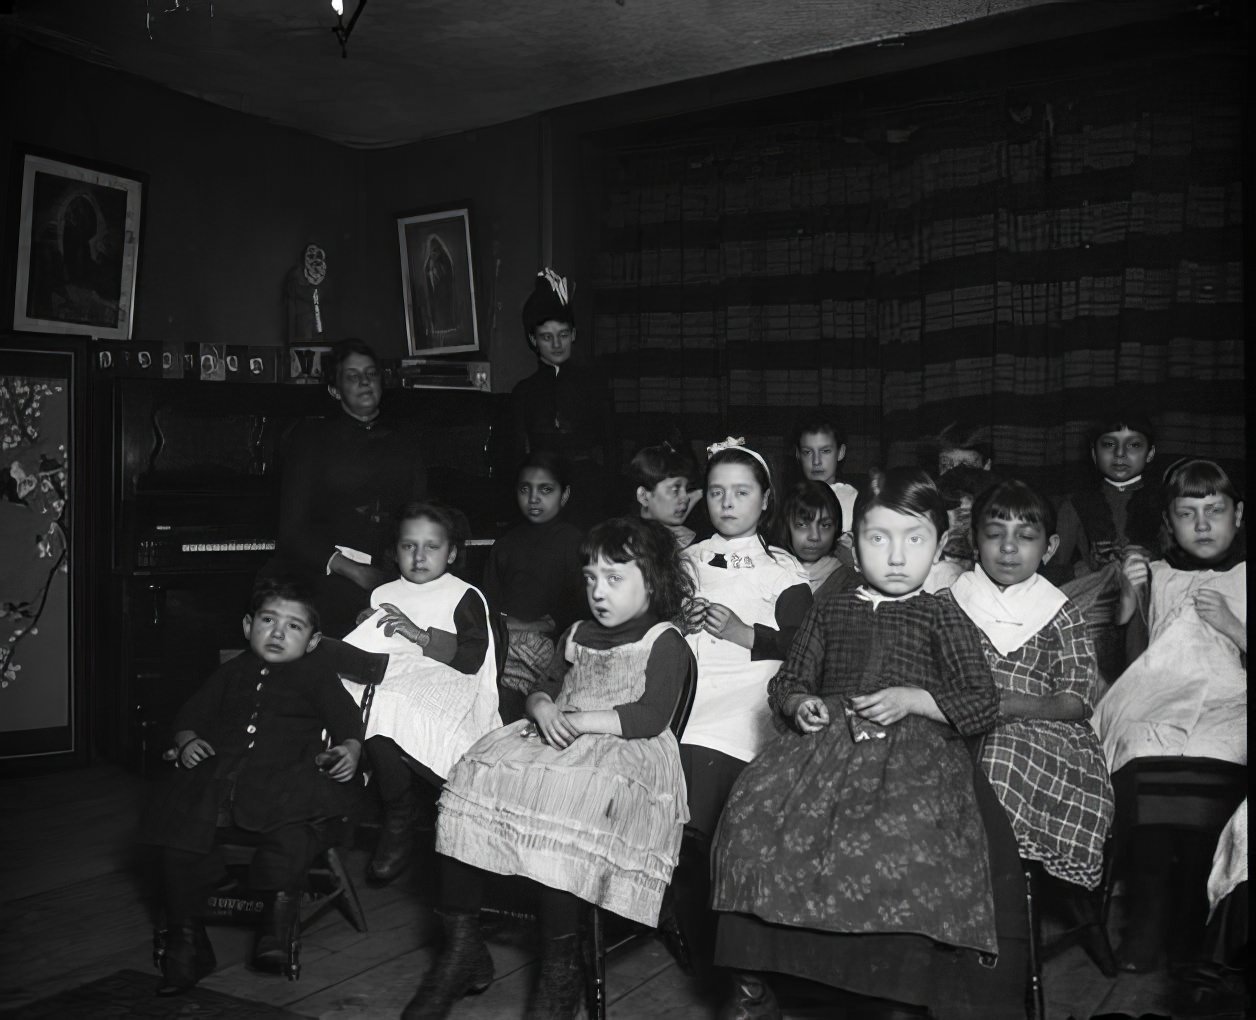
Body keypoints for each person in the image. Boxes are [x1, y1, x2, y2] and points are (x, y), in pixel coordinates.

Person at [710, 469, 1028, 1020]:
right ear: (854, 547)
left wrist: (915, 698)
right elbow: (788, 681)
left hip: (916, 754)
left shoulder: (942, 614)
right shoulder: (830, 610)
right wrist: (798, 704)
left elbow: (981, 700)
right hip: (822, 749)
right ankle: (754, 982)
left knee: (899, 839)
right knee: (751, 813)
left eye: (915, 540)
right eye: (880, 539)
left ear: (941, 543)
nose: (898, 557)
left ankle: (894, 993)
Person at [407, 517, 697, 1020]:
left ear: (651, 581)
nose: (598, 592)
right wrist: (541, 704)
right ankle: (461, 948)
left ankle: (560, 973)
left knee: (569, 811)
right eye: (590, 578)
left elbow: (650, 716)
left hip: (624, 755)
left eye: (614, 578)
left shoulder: (664, 640)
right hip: (558, 740)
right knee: (474, 777)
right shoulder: (577, 632)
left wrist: (578, 719)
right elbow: (546, 683)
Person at [137, 578, 364, 995]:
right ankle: (187, 942)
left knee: (295, 832)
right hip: (222, 783)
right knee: (177, 831)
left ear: (313, 642)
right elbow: (192, 714)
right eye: (268, 620)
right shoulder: (231, 672)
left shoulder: (317, 676)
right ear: (247, 625)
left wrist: (349, 749)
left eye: (294, 627)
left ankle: (274, 925)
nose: (278, 632)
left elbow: (347, 723)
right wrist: (187, 740)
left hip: (287, 781)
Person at [1094, 457, 1246, 971]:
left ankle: (1192, 915)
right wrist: (1134, 599)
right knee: (1140, 740)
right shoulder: (1157, 574)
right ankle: (1150, 912)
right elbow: (1138, 662)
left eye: (1215, 511)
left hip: (1232, 696)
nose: (1203, 526)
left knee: (1223, 743)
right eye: (1188, 513)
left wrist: (1233, 625)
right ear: (1169, 522)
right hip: (1160, 692)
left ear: (1239, 515)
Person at [675, 437, 813, 979]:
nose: (727, 503)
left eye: (741, 492)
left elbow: (807, 647)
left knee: (704, 767)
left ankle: (724, 943)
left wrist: (743, 631)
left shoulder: (780, 570)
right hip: (688, 680)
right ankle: (681, 913)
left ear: (764, 500)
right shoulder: (684, 561)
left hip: (748, 686)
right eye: (716, 492)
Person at [951, 480, 1114, 895]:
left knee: (998, 759)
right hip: (957, 723)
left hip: (1042, 731)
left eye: (1025, 537)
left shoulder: (1060, 613)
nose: (1008, 548)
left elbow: (1076, 701)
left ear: (1050, 547)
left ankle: (995, 899)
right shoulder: (950, 602)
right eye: (994, 535)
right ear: (974, 541)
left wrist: (1009, 703)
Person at [339, 503, 499, 884]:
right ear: (395, 552)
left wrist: (420, 636)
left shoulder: (463, 595)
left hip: (450, 686)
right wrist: (370, 625)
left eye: (431, 547)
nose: (420, 556)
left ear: (453, 553)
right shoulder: (383, 593)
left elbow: (472, 660)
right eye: (409, 546)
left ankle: (398, 812)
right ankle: (393, 805)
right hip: (392, 684)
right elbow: (374, 651)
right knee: (361, 694)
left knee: (382, 701)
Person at [268, 338, 427, 638]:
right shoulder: (310, 440)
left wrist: (401, 571)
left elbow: (420, 512)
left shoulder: (406, 439)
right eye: (353, 376)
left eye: (371, 374)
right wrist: (354, 571)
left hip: (395, 570)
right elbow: (292, 530)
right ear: (335, 389)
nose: (365, 382)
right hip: (329, 571)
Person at [1051, 410, 1162, 683]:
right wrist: (1084, 568)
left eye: (1134, 445)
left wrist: (1153, 562)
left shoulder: (1166, 501)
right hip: (1098, 597)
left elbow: (1184, 557)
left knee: (1138, 582)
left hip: (1154, 597)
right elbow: (1054, 569)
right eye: (1109, 445)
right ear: (1093, 453)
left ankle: (1138, 683)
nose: (1121, 454)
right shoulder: (1077, 503)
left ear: (1150, 453)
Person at [482, 451, 587, 721]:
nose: (534, 499)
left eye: (546, 490)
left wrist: (535, 626)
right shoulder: (505, 545)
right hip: (506, 642)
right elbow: (488, 607)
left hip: (553, 649)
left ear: (564, 495)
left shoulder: (575, 543)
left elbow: (579, 611)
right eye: (525, 489)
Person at [510, 268, 612, 527]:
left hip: (590, 495)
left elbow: (612, 447)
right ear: (533, 340)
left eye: (563, 335)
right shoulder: (524, 392)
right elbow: (514, 457)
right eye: (547, 337)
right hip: (542, 496)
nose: (556, 344)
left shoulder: (595, 385)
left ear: (574, 334)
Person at [788, 412, 859, 557]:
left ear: (840, 452)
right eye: (808, 452)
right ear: (798, 454)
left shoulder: (854, 500)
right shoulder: (789, 501)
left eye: (825, 451)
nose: (816, 461)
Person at [773, 479, 859, 596]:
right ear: (786, 526)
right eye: (802, 525)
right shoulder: (767, 570)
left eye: (825, 526)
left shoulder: (849, 582)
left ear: (836, 528)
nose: (814, 536)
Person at [628, 442, 696, 548]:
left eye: (687, 489)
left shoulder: (687, 538)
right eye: (675, 489)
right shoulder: (627, 545)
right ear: (643, 496)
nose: (686, 497)